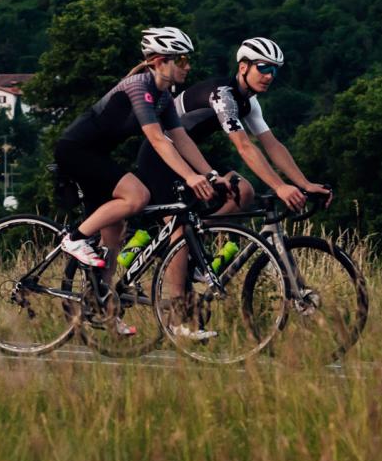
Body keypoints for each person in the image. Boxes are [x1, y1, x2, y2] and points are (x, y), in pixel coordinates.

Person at [134, 36, 331, 303]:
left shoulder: (249, 101)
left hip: (189, 156)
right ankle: (178, 307)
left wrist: (303, 183)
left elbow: (272, 145)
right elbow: (244, 147)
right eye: (263, 67)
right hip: (160, 157)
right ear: (243, 67)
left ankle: (191, 248)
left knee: (243, 191)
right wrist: (279, 187)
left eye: (275, 70)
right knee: (181, 228)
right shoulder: (223, 95)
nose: (269, 76)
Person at [55, 26, 216, 293]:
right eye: (182, 60)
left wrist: (210, 174)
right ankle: (74, 239)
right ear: (160, 62)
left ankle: (100, 298)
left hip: (97, 154)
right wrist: (189, 176)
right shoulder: (139, 86)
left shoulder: (164, 96)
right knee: (137, 195)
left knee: (114, 232)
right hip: (75, 150)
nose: (188, 66)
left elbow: (181, 139)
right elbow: (157, 139)